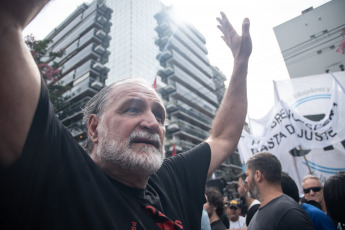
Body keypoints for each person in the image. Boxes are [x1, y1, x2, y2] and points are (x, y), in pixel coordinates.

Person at [0, 1, 252, 229]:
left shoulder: (171, 180)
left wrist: (240, 62)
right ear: (93, 128)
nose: (153, 123)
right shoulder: (56, 173)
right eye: (132, 108)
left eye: (160, 116)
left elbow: (224, 137)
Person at [245, 152, 314, 230]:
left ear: (258, 175)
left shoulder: (289, 213)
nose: (246, 180)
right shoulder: (258, 214)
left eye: (247, 175)